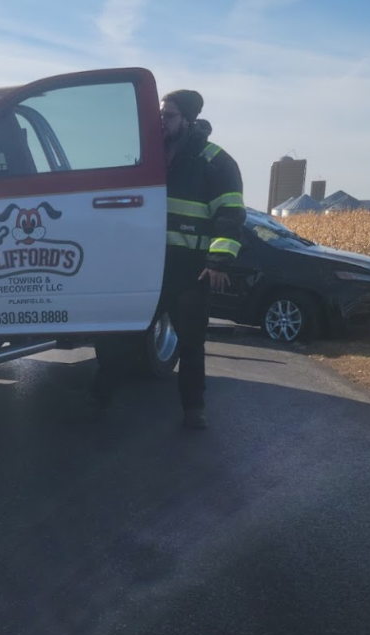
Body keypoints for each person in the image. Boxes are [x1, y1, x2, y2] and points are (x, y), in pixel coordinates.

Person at [91, 89, 245, 430]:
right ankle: (100, 394)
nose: (161, 121)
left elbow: (230, 215)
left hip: (191, 269)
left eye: (169, 115)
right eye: (160, 115)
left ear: (188, 120)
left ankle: (194, 408)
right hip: (146, 266)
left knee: (191, 343)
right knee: (125, 332)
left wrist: (218, 261)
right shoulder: (150, 157)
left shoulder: (214, 161)